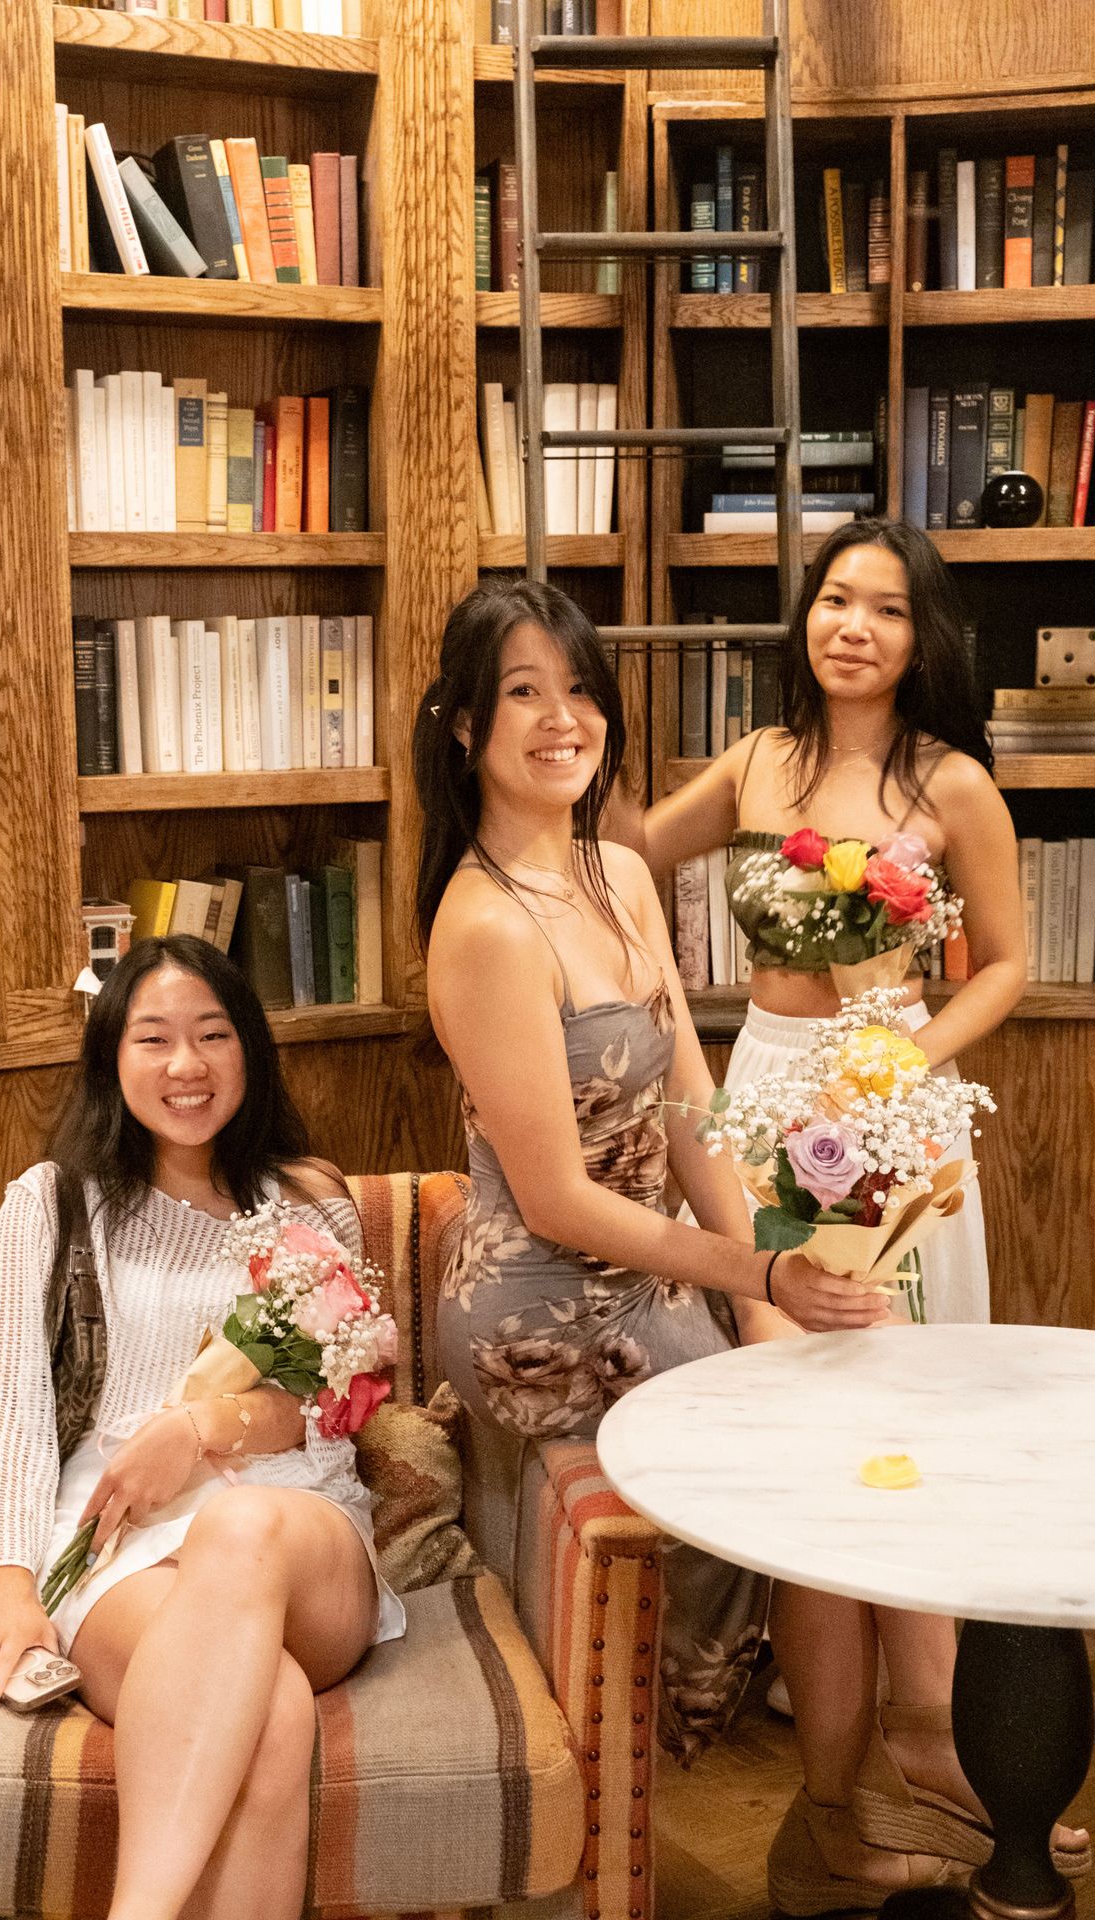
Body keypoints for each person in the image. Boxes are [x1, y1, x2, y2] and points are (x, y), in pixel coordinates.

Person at [412, 578, 1085, 1912]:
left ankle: (892, 1760)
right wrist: (757, 1277)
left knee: (860, 1386)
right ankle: (853, 1802)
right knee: (805, 1459)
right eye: (523, 693)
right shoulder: (481, 922)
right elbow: (556, 1202)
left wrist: (777, 1285)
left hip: (647, 1268)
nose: (561, 718)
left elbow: (689, 1104)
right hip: (542, 1309)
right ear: (466, 726)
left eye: (579, 688)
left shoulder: (613, 874)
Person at [0, 935, 404, 1920]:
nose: (185, 1064)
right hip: (118, 1537)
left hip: (294, 1525)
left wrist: (199, 1428)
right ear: (111, 1058)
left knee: (238, 1527)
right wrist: (8, 1583)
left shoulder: (303, 1205)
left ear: (250, 1049)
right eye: (153, 1038)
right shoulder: (53, 1203)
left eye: (212, 1034)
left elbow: (335, 1410)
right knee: (270, 1714)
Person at [632, 517, 1026, 1325]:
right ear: (806, 614)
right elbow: (629, 851)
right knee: (767, 1318)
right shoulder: (755, 759)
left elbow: (1004, 964)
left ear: (923, 640)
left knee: (890, 1321)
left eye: (889, 610)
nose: (854, 627)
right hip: (763, 1069)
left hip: (892, 1085)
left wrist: (907, 1061)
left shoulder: (954, 782)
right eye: (836, 600)